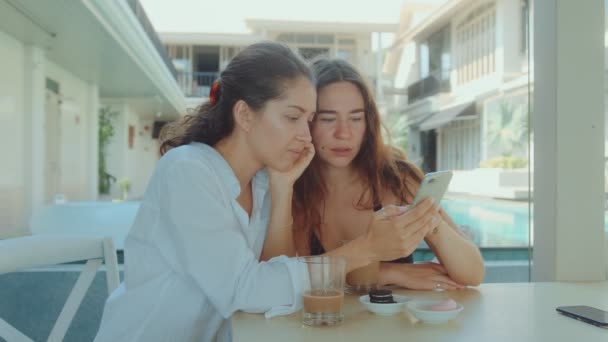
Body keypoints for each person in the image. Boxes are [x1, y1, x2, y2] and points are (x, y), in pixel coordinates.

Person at [94, 42, 320, 342]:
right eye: (293, 117)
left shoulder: (262, 182)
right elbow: (246, 291)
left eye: (310, 120)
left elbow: (273, 292)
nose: (306, 136)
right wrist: (364, 250)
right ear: (245, 114)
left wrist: (283, 188)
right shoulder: (187, 172)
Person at [263, 58, 485, 290]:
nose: (343, 133)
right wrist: (387, 272)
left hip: (391, 325)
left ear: (368, 123)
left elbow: (472, 274)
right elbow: (279, 282)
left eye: (356, 118)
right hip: (323, 325)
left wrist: (430, 220)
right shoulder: (294, 186)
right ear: (307, 122)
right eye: (328, 119)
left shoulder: (397, 177)